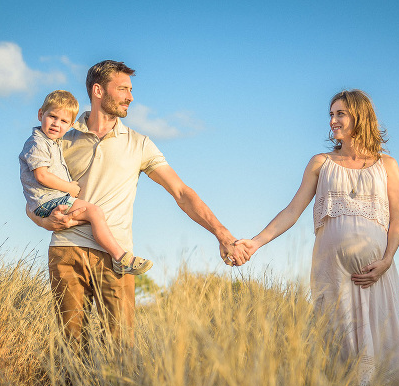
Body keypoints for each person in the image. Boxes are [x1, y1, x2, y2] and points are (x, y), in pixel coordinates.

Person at [27, 60, 249, 342]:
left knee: (121, 349)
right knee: (71, 350)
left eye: (130, 89)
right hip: (66, 251)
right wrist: (44, 220)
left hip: (118, 257)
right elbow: (31, 194)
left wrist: (222, 233)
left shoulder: (139, 143)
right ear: (98, 91)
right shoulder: (61, 138)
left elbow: (181, 192)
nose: (130, 97)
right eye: (122, 89)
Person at [238, 90, 399, 386]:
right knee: (339, 346)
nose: (332, 121)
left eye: (340, 114)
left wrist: (387, 260)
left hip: (376, 276)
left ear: (359, 116)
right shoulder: (321, 163)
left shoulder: (388, 165)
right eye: (331, 114)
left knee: (381, 346)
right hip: (331, 275)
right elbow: (292, 211)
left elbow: (398, 220)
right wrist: (256, 242)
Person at [19, 90, 153, 276]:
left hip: (48, 202)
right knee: (95, 212)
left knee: (88, 216)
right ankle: (121, 257)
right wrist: (70, 188)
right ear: (41, 114)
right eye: (52, 117)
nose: (56, 124)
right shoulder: (37, 143)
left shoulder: (54, 142)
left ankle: (115, 255)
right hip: (49, 201)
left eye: (64, 121)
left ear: (72, 125)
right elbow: (41, 176)